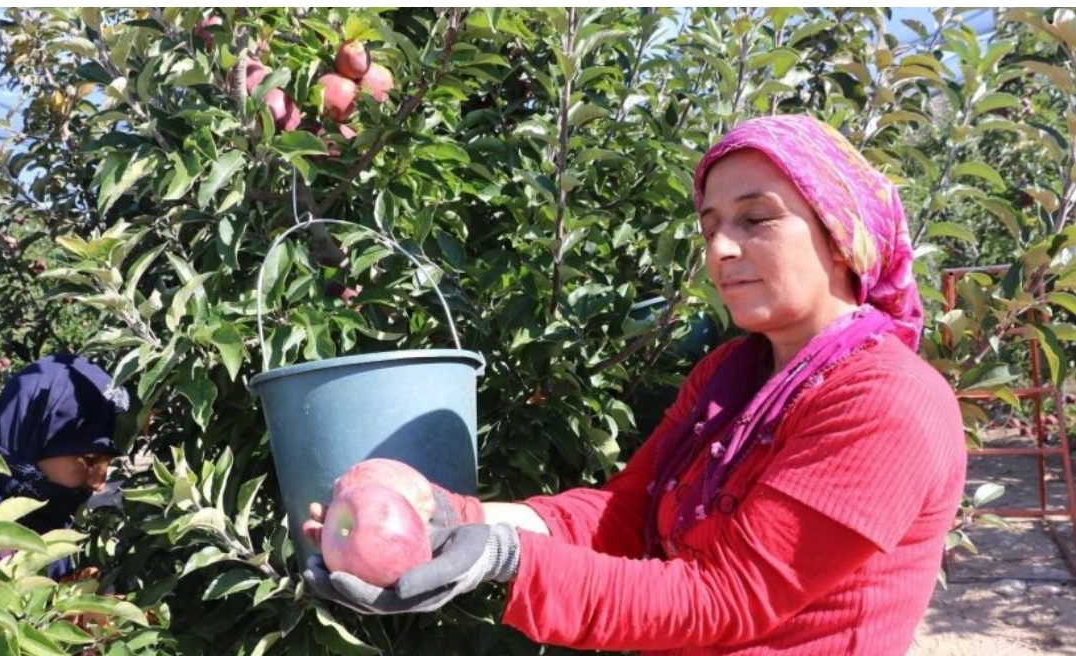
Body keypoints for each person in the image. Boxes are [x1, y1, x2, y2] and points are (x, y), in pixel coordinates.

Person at [302, 114, 968, 655]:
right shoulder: (731, 377)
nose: (720, 250)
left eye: (754, 218)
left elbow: (726, 598)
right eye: (709, 226)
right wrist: (451, 522)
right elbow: (625, 513)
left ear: (839, 233)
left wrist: (502, 558)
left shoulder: (884, 400)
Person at [0, 353, 128, 580]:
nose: (99, 483)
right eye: (90, 459)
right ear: (37, 438)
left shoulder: (41, 516)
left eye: (108, 463)